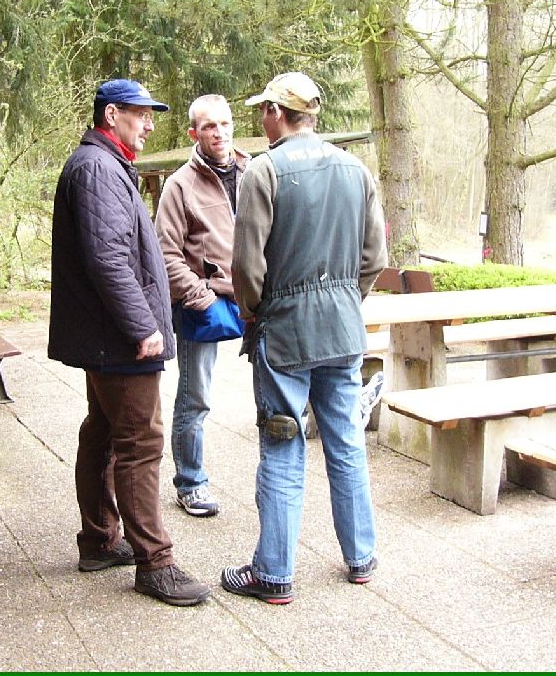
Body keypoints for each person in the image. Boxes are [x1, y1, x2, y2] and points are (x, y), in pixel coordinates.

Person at [221, 72, 388, 604]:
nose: (260, 118)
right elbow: (375, 258)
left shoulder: (263, 171)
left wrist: (254, 312)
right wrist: (345, 300)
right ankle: (361, 557)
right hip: (343, 330)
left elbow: (247, 265)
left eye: (263, 109)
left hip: (285, 332)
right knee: (347, 441)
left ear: (277, 113)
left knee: (282, 445)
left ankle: (273, 573)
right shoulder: (357, 170)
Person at [48, 78, 211, 607]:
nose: (149, 124)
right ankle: (155, 564)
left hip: (107, 336)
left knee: (103, 433)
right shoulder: (98, 168)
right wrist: (143, 326)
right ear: (112, 114)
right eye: (141, 114)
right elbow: (109, 259)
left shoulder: (100, 163)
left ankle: (99, 540)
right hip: (119, 339)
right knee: (141, 443)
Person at [154, 95, 251, 518]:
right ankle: (190, 482)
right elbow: (165, 254)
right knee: (196, 398)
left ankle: (276, 476)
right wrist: (201, 296)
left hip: (255, 301)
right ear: (194, 133)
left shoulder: (255, 173)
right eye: (210, 126)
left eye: (225, 123)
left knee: (274, 390)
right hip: (204, 305)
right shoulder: (180, 185)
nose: (220, 132)